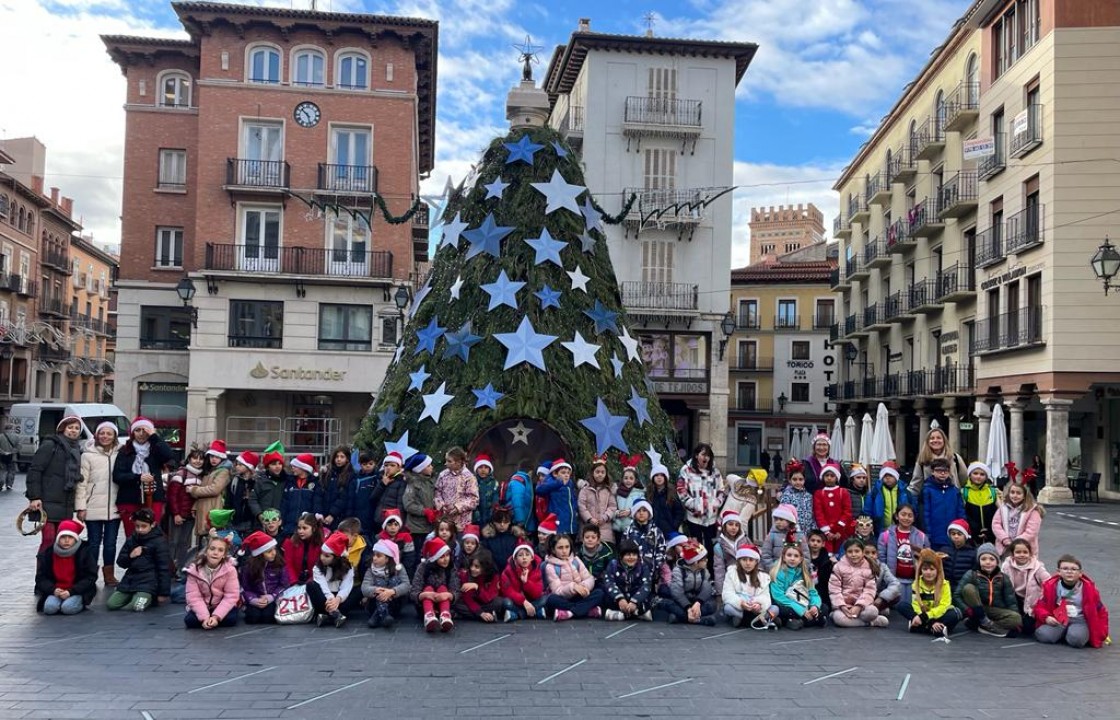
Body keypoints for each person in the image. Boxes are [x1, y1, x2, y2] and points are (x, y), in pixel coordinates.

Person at [25, 416, 84, 551]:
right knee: (48, 540)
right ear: (62, 429)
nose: (73, 431)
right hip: (47, 503)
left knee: (62, 542)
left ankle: (56, 572)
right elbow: (35, 470)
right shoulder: (50, 445)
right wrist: (34, 497)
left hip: (66, 505)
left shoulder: (77, 450)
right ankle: (42, 572)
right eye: (70, 427)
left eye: (77, 428)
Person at [76, 420, 121, 586]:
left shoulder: (120, 453)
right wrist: (81, 506)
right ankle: (91, 574)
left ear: (114, 436)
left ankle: (109, 575)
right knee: (94, 543)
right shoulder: (87, 455)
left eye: (109, 433)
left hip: (114, 507)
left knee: (110, 544)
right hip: (93, 506)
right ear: (96, 435)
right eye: (102, 433)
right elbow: (81, 483)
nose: (105, 436)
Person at [1034, 554, 1110, 649]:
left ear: (1080, 573)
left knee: (1077, 640)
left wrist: (1101, 633)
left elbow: (1101, 611)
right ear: (1059, 572)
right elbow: (1040, 606)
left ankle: (1072, 633)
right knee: (1043, 635)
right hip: (1058, 619)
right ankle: (1064, 633)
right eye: (1065, 569)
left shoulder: (1090, 589)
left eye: (1074, 569)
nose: (1069, 572)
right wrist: (1046, 617)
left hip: (1079, 620)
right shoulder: (1050, 586)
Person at [114, 417, 174, 534]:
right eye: (137, 430)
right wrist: (137, 477)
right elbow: (117, 476)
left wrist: (154, 437)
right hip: (129, 498)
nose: (141, 434)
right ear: (132, 433)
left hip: (153, 497)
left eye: (145, 430)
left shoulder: (155, 450)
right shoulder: (125, 451)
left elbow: (169, 456)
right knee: (132, 534)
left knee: (152, 533)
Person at [109, 508, 171, 612]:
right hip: (130, 580)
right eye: (137, 526)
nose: (140, 529)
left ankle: (149, 597)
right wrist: (130, 556)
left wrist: (163, 593)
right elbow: (120, 562)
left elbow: (164, 568)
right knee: (111, 604)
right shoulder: (132, 539)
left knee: (136, 606)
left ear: (153, 524)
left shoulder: (159, 542)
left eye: (143, 526)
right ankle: (135, 596)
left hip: (149, 582)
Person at [954, 542, 1022, 637]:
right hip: (978, 609)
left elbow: (1011, 601)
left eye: (991, 559)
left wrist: (1016, 622)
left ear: (997, 561)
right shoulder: (971, 574)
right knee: (968, 588)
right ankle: (984, 622)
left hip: (996, 610)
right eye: (983, 559)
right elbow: (956, 595)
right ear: (979, 561)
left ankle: (987, 625)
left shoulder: (1003, 577)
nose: (988, 562)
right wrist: (967, 610)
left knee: (1016, 618)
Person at [34, 518, 97, 615]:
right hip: (56, 590)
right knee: (49, 609)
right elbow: (41, 578)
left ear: (75, 539)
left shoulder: (84, 552)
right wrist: (53, 590)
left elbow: (90, 577)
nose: (66, 540)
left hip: (76, 590)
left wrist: (71, 592)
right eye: (63, 537)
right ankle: (59, 602)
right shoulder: (49, 553)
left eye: (70, 537)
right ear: (58, 538)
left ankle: (79, 602)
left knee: (68, 608)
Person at [676, 443, 726, 557]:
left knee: (711, 547)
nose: (705, 458)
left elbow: (721, 490)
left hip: (711, 517)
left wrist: (716, 503)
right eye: (703, 454)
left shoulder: (715, 472)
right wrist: (692, 504)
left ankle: (711, 571)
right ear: (696, 455)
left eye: (708, 455)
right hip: (694, 517)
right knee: (695, 547)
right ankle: (696, 571)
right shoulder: (686, 470)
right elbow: (681, 489)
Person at [898, 548, 963, 635]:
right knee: (902, 605)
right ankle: (937, 629)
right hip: (922, 615)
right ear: (921, 570)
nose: (928, 572)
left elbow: (944, 605)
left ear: (938, 570)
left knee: (956, 612)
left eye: (932, 569)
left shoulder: (945, 584)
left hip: (938, 615)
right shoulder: (916, 584)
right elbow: (916, 605)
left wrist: (927, 617)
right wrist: (924, 617)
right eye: (925, 569)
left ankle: (922, 627)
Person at [543, 533, 604, 621]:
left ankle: (569, 613)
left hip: (580, 595)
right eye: (560, 548)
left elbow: (589, 578)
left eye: (567, 547)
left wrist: (584, 587)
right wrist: (573, 587)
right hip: (564, 599)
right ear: (553, 550)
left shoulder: (575, 560)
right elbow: (557, 591)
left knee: (599, 592)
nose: (564, 551)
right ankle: (586, 611)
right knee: (551, 599)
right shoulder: (550, 566)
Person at [829, 538, 889, 628]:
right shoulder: (838, 567)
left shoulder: (868, 567)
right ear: (845, 553)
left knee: (872, 612)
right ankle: (870, 623)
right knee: (839, 619)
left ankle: (855, 620)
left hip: (862, 606)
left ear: (863, 552)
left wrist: (859, 606)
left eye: (857, 551)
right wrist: (842, 606)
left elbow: (869, 590)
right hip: (844, 606)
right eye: (850, 552)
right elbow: (834, 589)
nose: (853, 554)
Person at [183, 537, 240, 629]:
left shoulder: (230, 570)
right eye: (212, 549)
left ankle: (215, 620)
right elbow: (193, 596)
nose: (215, 552)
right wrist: (204, 618)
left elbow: (231, 595)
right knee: (190, 621)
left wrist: (216, 617)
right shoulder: (194, 570)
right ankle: (207, 620)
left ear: (224, 555)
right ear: (206, 552)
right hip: (203, 604)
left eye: (220, 550)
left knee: (230, 619)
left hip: (221, 604)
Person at [877, 504, 928, 606]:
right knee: (896, 610)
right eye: (903, 514)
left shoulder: (922, 536)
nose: (906, 518)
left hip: (914, 581)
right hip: (893, 581)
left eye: (910, 515)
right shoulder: (886, 535)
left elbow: (927, 559)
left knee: (911, 608)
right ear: (896, 516)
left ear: (914, 518)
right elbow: (881, 560)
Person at [239, 531, 291, 624]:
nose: (273, 553)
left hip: (273, 598)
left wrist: (272, 596)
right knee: (253, 617)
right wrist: (253, 599)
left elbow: (284, 584)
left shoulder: (279, 564)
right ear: (259, 554)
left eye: (274, 549)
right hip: (256, 598)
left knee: (268, 617)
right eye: (269, 551)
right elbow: (245, 588)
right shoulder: (248, 568)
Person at [769, 544, 826, 629]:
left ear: (800, 559)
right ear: (784, 557)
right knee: (780, 610)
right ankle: (811, 621)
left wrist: (814, 606)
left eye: (796, 556)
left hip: (803, 602)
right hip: (786, 604)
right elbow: (778, 596)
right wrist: (800, 610)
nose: (792, 558)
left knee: (824, 607)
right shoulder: (778, 573)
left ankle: (798, 621)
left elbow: (813, 593)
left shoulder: (804, 574)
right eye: (789, 555)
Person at [1001, 538, 1050, 637]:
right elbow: (1001, 582)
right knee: (1014, 622)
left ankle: (1025, 622)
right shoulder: (1006, 565)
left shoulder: (1038, 567)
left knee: (1028, 629)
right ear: (1012, 554)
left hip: (1032, 602)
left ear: (1030, 553)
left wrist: (1043, 598)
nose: (1022, 555)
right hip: (1014, 598)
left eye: (1025, 552)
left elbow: (1049, 582)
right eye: (1018, 552)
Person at [186, 441, 233, 544]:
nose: (213, 459)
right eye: (212, 456)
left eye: (216, 457)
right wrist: (195, 506)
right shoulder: (212, 470)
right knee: (204, 541)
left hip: (213, 509)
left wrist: (194, 490)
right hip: (205, 508)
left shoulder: (223, 471)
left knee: (211, 539)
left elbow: (214, 489)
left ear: (222, 457)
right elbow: (204, 489)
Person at [309, 531, 358, 628]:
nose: (322, 558)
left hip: (339, 598)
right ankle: (335, 614)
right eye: (322, 554)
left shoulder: (347, 568)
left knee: (359, 590)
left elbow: (346, 587)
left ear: (336, 558)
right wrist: (332, 600)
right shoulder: (318, 567)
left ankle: (327, 617)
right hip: (325, 598)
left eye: (327, 556)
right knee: (311, 585)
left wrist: (338, 600)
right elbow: (323, 587)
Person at [166, 447, 203, 577]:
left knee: (184, 543)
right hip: (178, 514)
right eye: (195, 458)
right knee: (173, 542)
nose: (198, 461)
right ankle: (168, 569)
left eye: (200, 459)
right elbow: (172, 495)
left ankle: (180, 568)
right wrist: (176, 513)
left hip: (190, 516)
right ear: (189, 459)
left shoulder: (201, 475)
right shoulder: (182, 474)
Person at [722, 543, 777, 629]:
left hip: (756, 609)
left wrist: (759, 604)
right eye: (744, 560)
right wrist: (741, 603)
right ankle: (757, 621)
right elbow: (727, 594)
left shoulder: (763, 577)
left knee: (775, 609)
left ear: (756, 561)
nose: (747, 563)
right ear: (739, 560)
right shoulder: (732, 573)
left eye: (751, 560)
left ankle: (744, 620)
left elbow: (766, 597)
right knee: (727, 608)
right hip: (741, 607)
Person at [411, 537, 459, 632]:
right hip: (425, 604)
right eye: (442, 557)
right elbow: (414, 591)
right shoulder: (423, 567)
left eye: (447, 555)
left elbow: (456, 589)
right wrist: (423, 595)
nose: (446, 559)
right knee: (428, 588)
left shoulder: (451, 568)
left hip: (445, 602)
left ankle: (445, 615)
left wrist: (450, 595)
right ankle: (429, 616)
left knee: (442, 588)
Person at [362, 538, 411, 628]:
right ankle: (384, 614)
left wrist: (392, 591)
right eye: (374, 555)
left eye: (378, 556)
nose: (374, 558)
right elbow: (364, 588)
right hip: (373, 603)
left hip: (394, 603)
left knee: (395, 580)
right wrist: (376, 590)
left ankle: (377, 616)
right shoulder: (370, 569)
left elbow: (407, 585)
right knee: (380, 582)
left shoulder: (398, 568)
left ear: (387, 559)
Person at [666, 539, 717, 626]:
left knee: (712, 605)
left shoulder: (704, 571)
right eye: (704, 559)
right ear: (696, 561)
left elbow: (707, 587)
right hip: (683, 601)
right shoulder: (678, 570)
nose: (707, 561)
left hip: (696, 599)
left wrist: (698, 603)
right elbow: (677, 592)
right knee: (668, 604)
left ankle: (681, 618)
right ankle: (699, 620)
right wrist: (688, 608)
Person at [909, 421, 968, 496]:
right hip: (931, 501)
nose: (935, 440)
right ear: (927, 442)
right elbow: (915, 485)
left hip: (953, 500)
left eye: (939, 438)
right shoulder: (922, 460)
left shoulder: (955, 457)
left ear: (944, 441)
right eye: (932, 438)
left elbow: (965, 480)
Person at [603, 538, 655, 622]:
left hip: (636, 597)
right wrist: (620, 598)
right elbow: (609, 582)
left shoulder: (643, 566)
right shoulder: (613, 565)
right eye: (627, 555)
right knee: (605, 596)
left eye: (634, 555)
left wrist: (635, 601)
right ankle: (636, 614)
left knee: (650, 598)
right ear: (621, 556)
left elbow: (646, 585)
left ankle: (623, 614)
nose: (631, 557)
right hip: (619, 597)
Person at [993, 478, 1045, 557]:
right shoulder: (1003, 508)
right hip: (1005, 548)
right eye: (1012, 492)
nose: (1015, 495)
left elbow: (1031, 531)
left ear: (1024, 495)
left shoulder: (1032, 511)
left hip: (1024, 549)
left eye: (1018, 493)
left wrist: (1016, 542)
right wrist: (1005, 539)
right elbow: (996, 524)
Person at [922, 457, 965, 549]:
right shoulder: (927, 490)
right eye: (939, 471)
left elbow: (960, 511)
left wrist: (962, 529)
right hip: (934, 536)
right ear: (932, 472)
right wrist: (928, 533)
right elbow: (925, 513)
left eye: (945, 471)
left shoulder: (955, 491)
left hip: (953, 536)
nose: (942, 473)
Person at [435, 446, 479, 531]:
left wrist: (458, 508)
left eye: (449, 461)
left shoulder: (469, 477)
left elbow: (474, 499)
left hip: (462, 524)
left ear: (458, 462)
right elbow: (437, 492)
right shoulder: (443, 475)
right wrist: (441, 505)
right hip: (444, 523)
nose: (446, 463)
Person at [501, 542, 547, 621]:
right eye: (520, 555)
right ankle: (535, 612)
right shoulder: (507, 571)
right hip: (517, 602)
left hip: (532, 601)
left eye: (527, 555)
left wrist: (526, 582)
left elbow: (537, 593)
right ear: (515, 558)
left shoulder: (536, 569)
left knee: (545, 598)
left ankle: (517, 614)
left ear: (532, 558)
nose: (524, 558)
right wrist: (523, 601)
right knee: (506, 602)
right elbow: (508, 591)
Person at [813, 462, 851, 553]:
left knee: (841, 553)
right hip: (826, 532)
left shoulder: (843, 492)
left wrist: (840, 530)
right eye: (827, 475)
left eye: (832, 475)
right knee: (827, 553)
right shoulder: (819, 494)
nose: (829, 478)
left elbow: (847, 511)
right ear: (823, 477)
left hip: (841, 531)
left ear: (836, 477)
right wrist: (826, 531)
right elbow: (818, 513)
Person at [865, 462, 912, 536]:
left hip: (901, 529)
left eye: (891, 475)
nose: (887, 478)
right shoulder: (875, 492)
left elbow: (913, 509)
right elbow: (867, 511)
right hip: (880, 530)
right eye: (885, 476)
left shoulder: (905, 492)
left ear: (896, 477)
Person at [456, 553, 505, 622]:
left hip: (484, 602)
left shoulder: (493, 577)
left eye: (477, 567)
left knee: (499, 602)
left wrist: (477, 587)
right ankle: (484, 616)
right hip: (469, 603)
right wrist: (480, 613)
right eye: (471, 565)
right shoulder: (466, 575)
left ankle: (466, 615)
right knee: (457, 605)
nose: (472, 569)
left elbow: (488, 598)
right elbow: (467, 599)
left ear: (485, 568)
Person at [578, 457, 617, 544]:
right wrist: (589, 518)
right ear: (592, 473)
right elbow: (581, 506)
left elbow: (612, 506)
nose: (600, 474)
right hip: (588, 526)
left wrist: (605, 517)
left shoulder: (608, 490)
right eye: (597, 472)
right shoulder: (585, 489)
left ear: (606, 474)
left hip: (604, 527)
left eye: (603, 472)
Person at [535, 458, 579, 536]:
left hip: (571, 522)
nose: (566, 475)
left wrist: (575, 509)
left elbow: (573, 499)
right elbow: (539, 490)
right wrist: (559, 483)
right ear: (555, 474)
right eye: (563, 472)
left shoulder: (570, 484)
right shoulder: (551, 482)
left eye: (568, 473)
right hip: (557, 522)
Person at [760, 503, 809, 570]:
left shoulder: (799, 535)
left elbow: (805, 555)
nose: (778, 522)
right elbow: (766, 555)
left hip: (795, 573)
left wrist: (800, 570)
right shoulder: (771, 535)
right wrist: (773, 569)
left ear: (790, 520)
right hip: (777, 571)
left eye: (781, 519)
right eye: (776, 519)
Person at [401, 452, 438, 539]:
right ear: (420, 469)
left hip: (432, 525)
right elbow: (408, 504)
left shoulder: (432, 481)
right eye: (428, 466)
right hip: (417, 528)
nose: (432, 467)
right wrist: (424, 511)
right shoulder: (412, 484)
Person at [249, 449, 289, 529]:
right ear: (268, 466)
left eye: (280, 463)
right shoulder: (260, 481)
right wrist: (259, 514)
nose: (277, 467)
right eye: (274, 464)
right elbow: (253, 500)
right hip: (262, 522)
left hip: (281, 523)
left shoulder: (287, 481)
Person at [624, 499, 666, 572]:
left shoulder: (656, 532)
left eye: (644, 510)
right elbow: (623, 551)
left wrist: (657, 569)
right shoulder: (628, 531)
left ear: (649, 513)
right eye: (638, 510)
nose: (641, 513)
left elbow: (661, 553)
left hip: (651, 572)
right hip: (632, 572)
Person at [962, 462, 999, 545]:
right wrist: (975, 529)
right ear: (970, 475)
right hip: (972, 534)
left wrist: (989, 530)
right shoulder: (964, 492)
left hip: (991, 533)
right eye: (975, 473)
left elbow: (1000, 513)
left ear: (986, 477)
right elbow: (963, 514)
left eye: (982, 474)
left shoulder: (993, 491)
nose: (978, 476)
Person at [711, 508, 747, 593]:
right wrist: (721, 592)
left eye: (736, 525)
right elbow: (719, 570)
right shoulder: (719, 546)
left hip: (747, 580)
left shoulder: (746, 541)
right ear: (724, 526)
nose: (734, 528)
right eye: (730, 524)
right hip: (730, 581)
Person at [283, 512, 324, 586]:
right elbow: (288, 564)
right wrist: (294, 582)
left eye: (304, 528)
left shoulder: (321, 545)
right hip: (294, 582)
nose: (300, 531)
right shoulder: (290, 542)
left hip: (314, 583)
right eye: (299, 528)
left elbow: (319, 568)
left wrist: (309, 584)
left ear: (314, 529)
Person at [862, 542, 902, 615]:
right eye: (867, 553)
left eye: (873, 553)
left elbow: (895, 583)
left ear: (877, 554)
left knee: (897, 595)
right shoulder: (857, 566)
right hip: (860, 597)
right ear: (862, 554)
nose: (870, 555)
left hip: (874, 597)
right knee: (885, 611)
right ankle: (871, 611)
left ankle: (873, 610)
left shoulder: (882, 567)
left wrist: (881, 598)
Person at [371, 451, 408, 530]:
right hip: (379, 521)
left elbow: (400, 506)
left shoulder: (401, 482)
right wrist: (382, 484)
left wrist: (399, 524)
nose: (388, 467)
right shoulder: (380, 479)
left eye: (392, 465)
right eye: (386, 465)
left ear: (399, 468)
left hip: (392, 524)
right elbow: (372, 499)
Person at [225, 451, 258, 537]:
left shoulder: (256, 482)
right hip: (235, 520)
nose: (237, 467)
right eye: (237, 464)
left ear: (248, 467)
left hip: (250, 521)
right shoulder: (234, 481)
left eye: (240, 465)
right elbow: (228, 500)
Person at [320, 445, 353, 530]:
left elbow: (344, 497)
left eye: (342, 457)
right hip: (324, 516)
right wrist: (320, 513)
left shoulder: (350, 475)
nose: (339, 459)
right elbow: (321, 492)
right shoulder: (328, 473)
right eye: (337, 457)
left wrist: (332, 514)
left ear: (347, 459)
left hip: (339, 516)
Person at [378, 509, 417, 579]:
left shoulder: (406, 538)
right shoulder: (379, 538)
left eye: (396, 524)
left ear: (399, 526)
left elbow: (409, 559)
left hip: (402, 570)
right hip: (384, 570)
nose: (393, 527)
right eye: (389, 524)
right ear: (385, 526)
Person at [648, 463, 684, 538]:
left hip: (670, 530)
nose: (659, 478)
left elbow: (679, 511)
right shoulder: (649, 493)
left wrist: (674, 525)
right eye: (657, 475)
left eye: (661, 475)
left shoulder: (671, 492)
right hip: (653, 531)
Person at [779, 460, 815, 533]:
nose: (798, 482)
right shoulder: (787, 495)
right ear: (790, 480)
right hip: (793, 532)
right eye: (794, 479)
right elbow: (783, 515)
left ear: (804, 480)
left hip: (807, 532)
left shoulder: (808, 496)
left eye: (800, 479)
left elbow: (812, 515)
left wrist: (813, 530)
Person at [944, 519, 977, 591]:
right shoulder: (944, 550)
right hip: (946, 588)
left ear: (965, 536)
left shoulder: (973, 553)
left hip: (963, 589)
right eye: (953, 534)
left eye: (959, 534)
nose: (956, 536)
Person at [613, 465, 645, 538]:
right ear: (622, 479)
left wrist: (631, 512)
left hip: (632, 527)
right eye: (626, 478)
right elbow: (612, 507)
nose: (628, 481)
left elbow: (642, 508)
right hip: (618, 528)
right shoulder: (617, 493)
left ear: (635, 480)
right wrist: (616, 513)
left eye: (631, 478)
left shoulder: (639, 494)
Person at [806, 530, 833, 615]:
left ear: (823, 544)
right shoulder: (803, 557)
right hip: (805, 589)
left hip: (821, 591)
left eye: (818, 541)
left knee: (824, 608)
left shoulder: (826, 560)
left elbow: (827, 581)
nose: (815, 543)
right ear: (808, 541)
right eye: (812, 540)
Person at [336, 517, 369, 583]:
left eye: (344, 536)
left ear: (355, 536)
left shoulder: (365, 549)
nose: (340, 538)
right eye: (339, 535)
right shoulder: (335, 544)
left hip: (356, 584)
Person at [472, 454, 500, 528]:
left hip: (490, 515)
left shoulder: (494, 483)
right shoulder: (472, 482)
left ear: (489, 469)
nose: (483, 470)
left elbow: (496, 497)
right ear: (476, 469)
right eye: (480, 467)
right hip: (475, 516)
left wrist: (494, 509)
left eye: (486, 467)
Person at [0, 425, 19, 491]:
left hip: (2, 456)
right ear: (12, 429)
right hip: (12, 456)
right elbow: (19, 447)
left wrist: (3, 452)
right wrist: (12, 452)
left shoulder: (1, 436)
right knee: (11, 471)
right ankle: (9, 484)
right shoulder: (16, 437)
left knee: (2, 471)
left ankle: (1, 483)